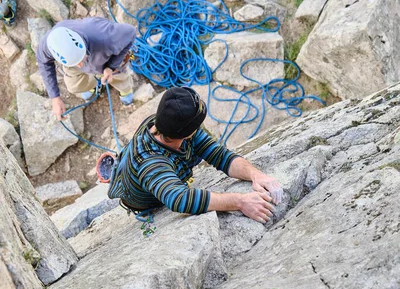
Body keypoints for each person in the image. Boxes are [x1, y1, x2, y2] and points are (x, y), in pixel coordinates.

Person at [107, 86, 283, 224]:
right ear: (186, 133)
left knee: (199, 151)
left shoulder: (165, 122)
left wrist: (256, 175)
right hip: (147, 200)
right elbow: (179, 199)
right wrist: (240, 201)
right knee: (178, 170)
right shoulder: (150, 162)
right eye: (196, 127)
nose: (199, 129)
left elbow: (219, 155)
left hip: (166, 161)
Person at [36, 17, 136, 121]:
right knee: (74, 85)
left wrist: (111, 67)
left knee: (119, 74)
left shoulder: (106, 38)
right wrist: (55, 98)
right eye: (77, 62)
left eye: (81, 58)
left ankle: (125, 89)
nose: (80, 65)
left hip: (102, 53)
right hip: (73, 63)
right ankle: (94, 83)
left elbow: (131, 33)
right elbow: (43, 63)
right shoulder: (49, 44)